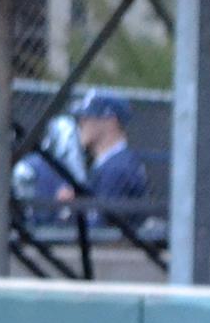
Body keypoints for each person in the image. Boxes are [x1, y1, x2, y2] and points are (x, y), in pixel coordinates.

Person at [59, 91, 149, 228]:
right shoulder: (111, 162)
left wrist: (73, 212)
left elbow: (99, 229)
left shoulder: (117, 168)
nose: (81, 123)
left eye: (88, 116)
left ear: (110, 121)